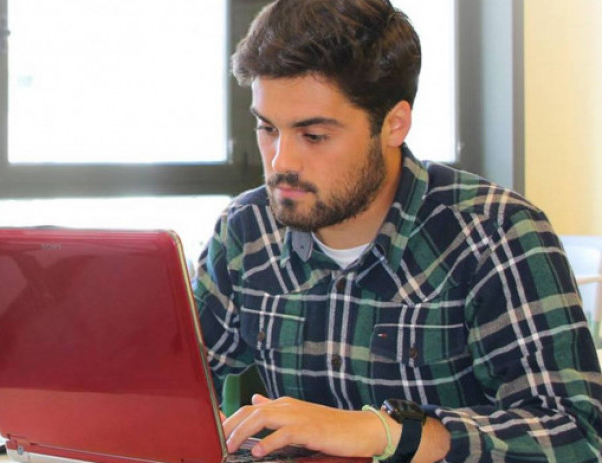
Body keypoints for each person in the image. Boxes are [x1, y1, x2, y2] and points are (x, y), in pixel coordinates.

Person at [191, 0, 602, 461]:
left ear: (394, 124)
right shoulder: (246, 231)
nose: (282, 162)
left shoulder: (495, 234)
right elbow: (169, 389)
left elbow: (575, 434)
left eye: (315, 136)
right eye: (267, 128)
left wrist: (385, 432)